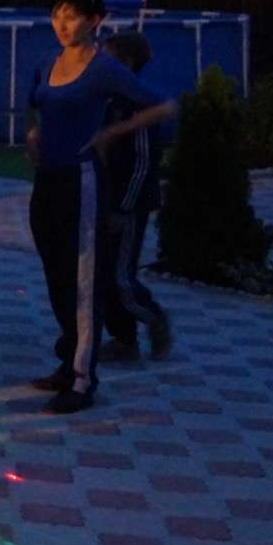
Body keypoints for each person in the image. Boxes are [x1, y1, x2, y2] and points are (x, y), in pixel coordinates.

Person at [25, 0, 176, 414]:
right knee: (56, 274)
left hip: (83, 179)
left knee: (84, 279)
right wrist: (34, 132)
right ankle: (67, 361)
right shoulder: (47, 62)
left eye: (72, 16)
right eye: (57, 14)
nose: (62, 23)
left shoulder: (104, 68)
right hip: (47, 179)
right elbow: (37, 104)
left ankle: (82, 379)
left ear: (94, 21)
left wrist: (111, 132)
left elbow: (162, 106)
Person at [99, 32, 173, 361]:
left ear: (126, 64)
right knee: (102, 273)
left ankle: (152, 317)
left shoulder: (138, 104)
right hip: (108, 199)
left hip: (129, 204)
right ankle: (123, 338)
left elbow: (142, 163)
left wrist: (123, 207)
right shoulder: (111, 101)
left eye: (108, 59)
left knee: (120, 275)